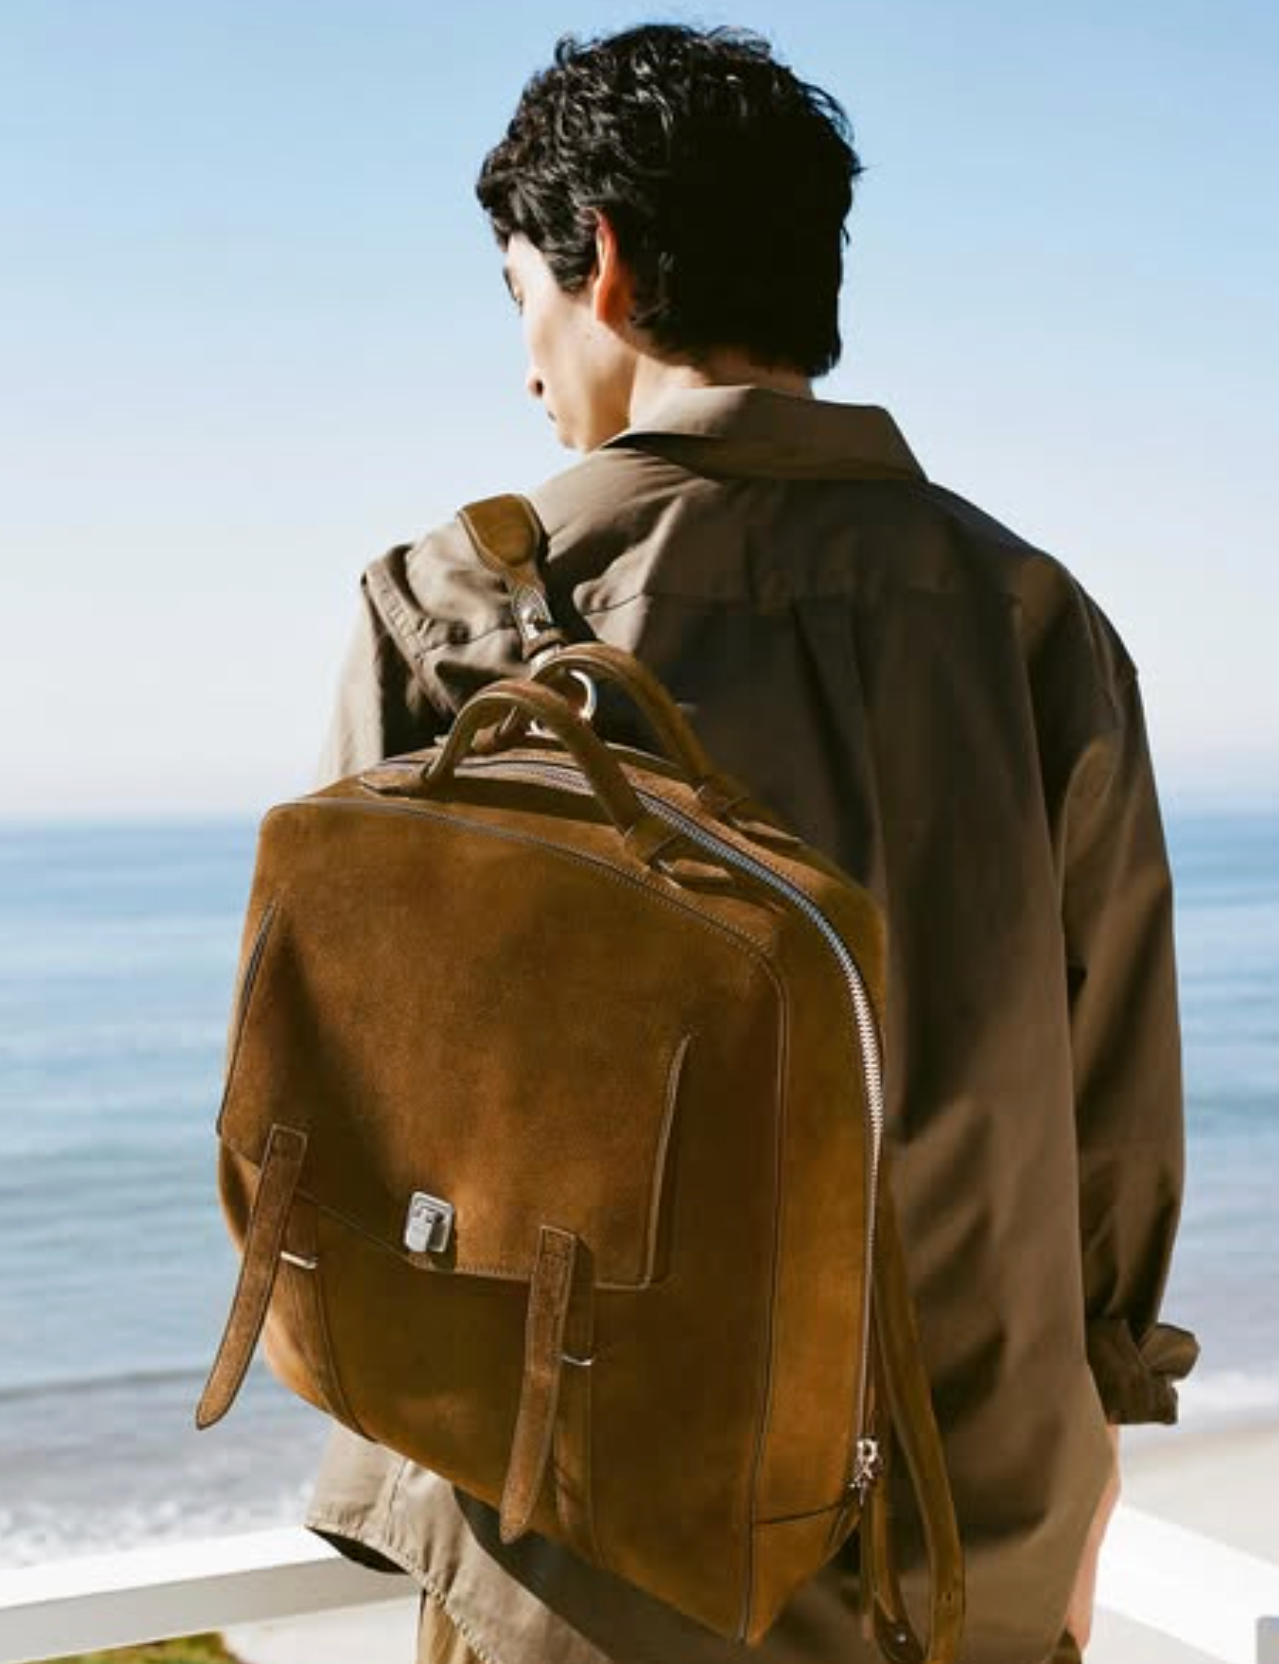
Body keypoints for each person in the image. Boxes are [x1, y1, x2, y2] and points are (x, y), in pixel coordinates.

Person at [304, 22, 1199, 1664]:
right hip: (976, 1542)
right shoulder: (1030, 618)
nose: (525, 364)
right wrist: (1093, 1457)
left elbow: (367, 1134)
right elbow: (1115, 1099)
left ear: (613, 267)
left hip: (587, 1552)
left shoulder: (456, 614)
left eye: (522, 294)